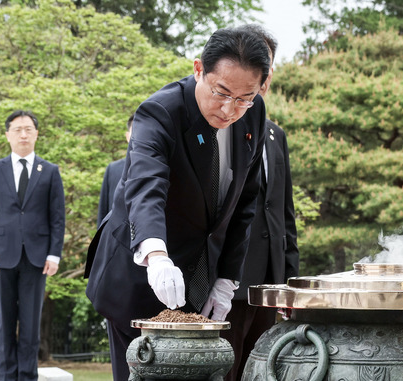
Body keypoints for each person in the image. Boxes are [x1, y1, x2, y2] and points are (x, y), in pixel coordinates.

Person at [84, 27, 271, 380]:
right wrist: (156, 256)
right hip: (138, 273)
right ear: (199, 69)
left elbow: (245, 202)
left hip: (198, 277)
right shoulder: (160, 113)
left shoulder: (254, 113)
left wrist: (227, 280)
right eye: (222, 93)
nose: (231, 109)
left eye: (246, 96)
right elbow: (144, 186)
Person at [220, 24, 299, 381]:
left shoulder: (276, 134)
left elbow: (284, 212)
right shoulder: (223, 126)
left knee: (265, 370)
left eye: (266, 64)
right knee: (228, 368)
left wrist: (290, 280)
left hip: (272, 283)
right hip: (232, 280)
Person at [0, 110, 66, 381]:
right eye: (18, 129)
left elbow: (57, 217)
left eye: (28, 129)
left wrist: (54, 254)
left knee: (29, 324)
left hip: (37, 258)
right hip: (1, 257)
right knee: (5, 322)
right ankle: (6, 375)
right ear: (8, 135)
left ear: (37, 133)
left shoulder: (50, 171)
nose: (24, 134)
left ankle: (28, 376)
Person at [97, 115, 133, 227]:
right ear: (127, 136)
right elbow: (103, 211)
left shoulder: (161, 168)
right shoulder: (113, 169)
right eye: (134, 131)